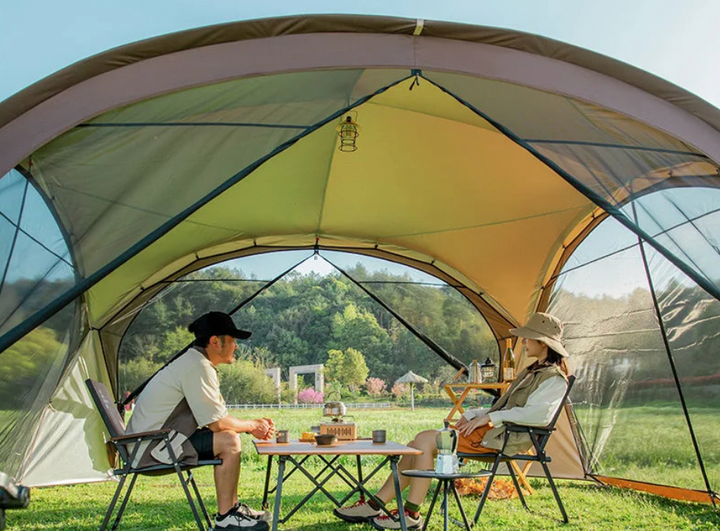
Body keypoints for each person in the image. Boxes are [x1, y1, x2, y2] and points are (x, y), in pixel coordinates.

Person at [334, 312, 571, 530]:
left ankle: (411, 516)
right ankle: (375, 504)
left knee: (424, 442)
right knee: (415, 444)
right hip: (494, 431)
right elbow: (507, 408)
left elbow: (538, 416)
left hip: (504, 438)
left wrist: (490, 418)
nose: (524, 342)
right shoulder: (533, 371)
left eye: (529, 338)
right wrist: (476, 414)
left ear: (543, 343)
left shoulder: (554, 379)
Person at [126, 311, 275, 531]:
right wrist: (252, 426)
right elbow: (217, 423)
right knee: (229, 441)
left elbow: (215, 417)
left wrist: (251, 425)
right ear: (215, 342)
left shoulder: (194, 362)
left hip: (150, 443)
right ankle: (227, 518)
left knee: (229, 437)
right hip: (149, 449)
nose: (236, 346)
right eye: (232, 340)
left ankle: (231, 510)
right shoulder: (198, 366)